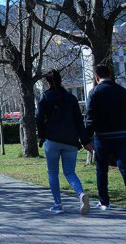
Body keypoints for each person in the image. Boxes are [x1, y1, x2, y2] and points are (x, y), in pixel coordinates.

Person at [85, 64, 126, 216]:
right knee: (125, 167)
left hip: (103, 137)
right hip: (122, 134)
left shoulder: (94, 92)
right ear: (110, 74)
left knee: (101, 170)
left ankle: (104, 202)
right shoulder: (122, 91)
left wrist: (86, 138)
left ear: (97, 78)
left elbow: (90, 117)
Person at [36, 70, 91, 215]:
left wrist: (41, 137)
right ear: (61, 80)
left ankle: (58, 204)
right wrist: (85, 140)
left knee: (53, 172)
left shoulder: (45, 96)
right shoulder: (71, 98)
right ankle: (80, 194)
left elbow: (39, 118)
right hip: (71, 141)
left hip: (52, 140)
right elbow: (79, 121)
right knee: (70, 172)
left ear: (47, 82)